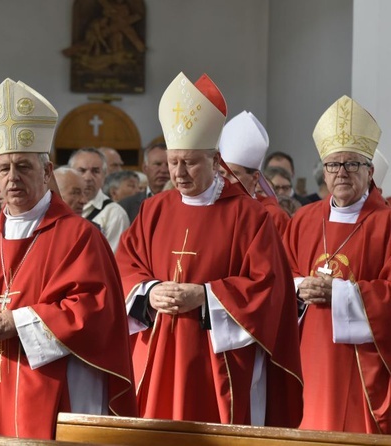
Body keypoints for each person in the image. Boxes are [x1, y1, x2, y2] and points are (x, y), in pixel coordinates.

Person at [0, 78, 137, 439]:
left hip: (55, 389)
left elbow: (96, 311)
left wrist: (19, 323)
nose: (13, 178)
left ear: (46, 170)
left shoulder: (80, 236)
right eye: (4, 168)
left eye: (24, 167)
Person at [116, 72, 302, 427]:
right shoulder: (155, 209)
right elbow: (124, 268)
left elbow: (269, 289)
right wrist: (150, 292)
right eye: (173, 162)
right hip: (157, 353)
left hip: (217, 360)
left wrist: (204, 297)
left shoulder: (249, 215)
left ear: (215, 160)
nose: (180, 173)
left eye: (190, 162)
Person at [283, 95, 391, 433]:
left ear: (370, 171)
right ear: (323, 172)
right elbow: (277, 280)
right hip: (307, 354)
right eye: (333, 165)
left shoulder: (386, 223)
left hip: (361, 364)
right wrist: (301, 287)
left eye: (352, 164)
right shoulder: (303, 219)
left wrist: (341, 294)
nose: (341, 172)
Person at [218, 111, 290, 234]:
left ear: (255, 177)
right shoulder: (212, 207)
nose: (225, 181)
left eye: (233, 174)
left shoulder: (272, 216)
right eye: (221, 173)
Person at [69, 147, 129, 252]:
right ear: (70, 174)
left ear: (105, 175)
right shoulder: (59, 206)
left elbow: (111, 260)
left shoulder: (115, 214)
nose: (88, 177)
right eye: (81, 170)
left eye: (95, 171)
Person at [119, 142, 169, 221]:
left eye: (169, 164)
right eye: (157, 164)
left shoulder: (186, 201)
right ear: (145, 168)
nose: (163, 170)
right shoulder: (126, 205)